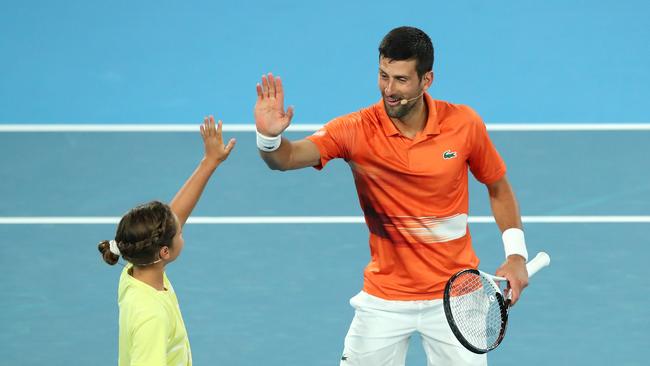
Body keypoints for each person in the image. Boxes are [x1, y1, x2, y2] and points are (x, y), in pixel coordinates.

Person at [254, 26, 530, 365]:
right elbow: (285, 159)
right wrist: (268, 138)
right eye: (383, 76)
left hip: (457, 295)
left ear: (426, 80)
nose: (389, 90)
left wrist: (516, 254)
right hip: (386, 297)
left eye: (401, 80)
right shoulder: (355, 129)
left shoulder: (464, 124)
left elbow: (498, 185)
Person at [98, 116, 235, 366]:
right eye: (178, 233)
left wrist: (209, 163)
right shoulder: (151, 317)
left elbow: (175, 216)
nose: (181, 229)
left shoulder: (136, 272)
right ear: (164, 252)